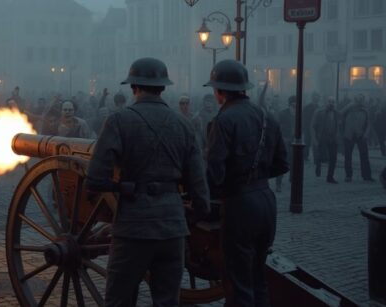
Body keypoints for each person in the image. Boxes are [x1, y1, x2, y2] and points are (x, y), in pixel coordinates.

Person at [85, 58, 210, 306]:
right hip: (173, 230)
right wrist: (188, 216)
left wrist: (121, 187)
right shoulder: (184, 124)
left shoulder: (119, 121)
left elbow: (95, 179)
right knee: (167, 301)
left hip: (133, 228)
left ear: (134, 87)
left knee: (119, 300)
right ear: (163, 87)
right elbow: (200, 191)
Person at [205, 60, 289, 306]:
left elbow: (215, 172)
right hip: (266, 202)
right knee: (258, 278)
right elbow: (282, 164)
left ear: (220, 91)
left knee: (239, 282)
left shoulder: (223, 120)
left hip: (240, 205)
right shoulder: (267, 118)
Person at [341, 94, 373, 182]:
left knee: (364, 156)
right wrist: (350, 105)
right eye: (357, 100)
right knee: (348, 157)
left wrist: (366, 134)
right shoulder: (348, 109)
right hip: (349, 135)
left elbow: (368, 124)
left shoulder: (365, 111)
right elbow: (340, 113)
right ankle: (348, 175)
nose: (358, 102)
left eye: (360, 100)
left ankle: (366, 175)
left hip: (360, 135)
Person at [311, 96, 339, 183]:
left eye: (333, 102)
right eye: (329, 101)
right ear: (326, 102)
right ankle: (318, 165)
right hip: (322, 137)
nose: (331, 103)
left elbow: (338, 125)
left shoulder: (336, 113)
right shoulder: (319, 112)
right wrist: (314, 138)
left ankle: (330, 177)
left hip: (332, 138)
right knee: (321, 157)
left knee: (333, 158)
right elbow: (313, 126)